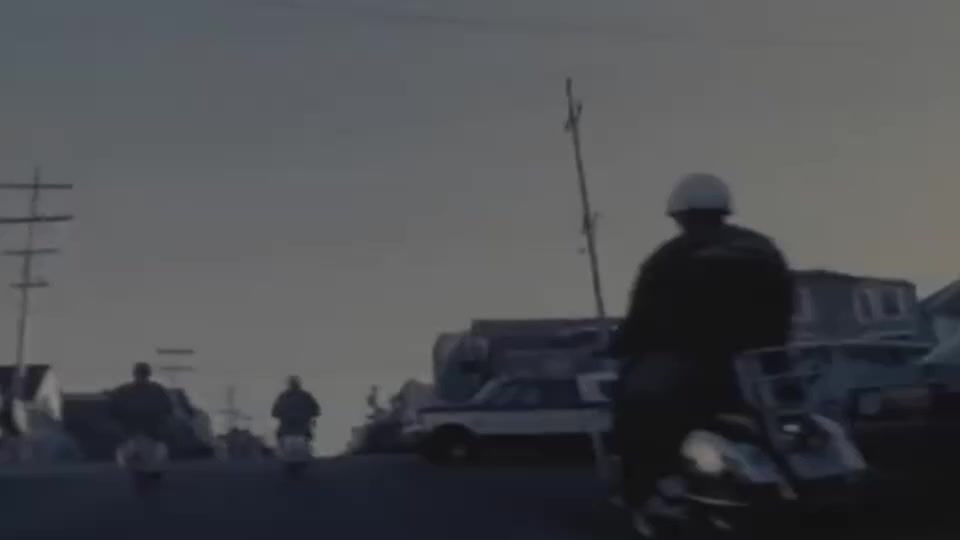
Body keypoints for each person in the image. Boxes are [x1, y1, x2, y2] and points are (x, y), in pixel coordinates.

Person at [608, 173, 794, 524]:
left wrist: (620, 343)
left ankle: (650, 492)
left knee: (636, 408)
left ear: (680, 214)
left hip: (690, 361)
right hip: (762, 362)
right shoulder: (763, 248)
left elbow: (644, 310)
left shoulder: (671, 255)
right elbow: (786, 302)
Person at [107, 362, 176, 441]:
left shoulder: (124, 390)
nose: (141, 377)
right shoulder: (157, 389)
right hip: (139, 430)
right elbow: (168, 409)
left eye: (142, 374)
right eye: (141, 374)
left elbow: (168, 409)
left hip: (140, 429)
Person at [271, 376, 321, 440]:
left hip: (286, 432)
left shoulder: (283, 397)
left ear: (289, 385)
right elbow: (316, 411)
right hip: (303, 432)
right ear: (299, 384)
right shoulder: (306, 396)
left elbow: (274, 413)